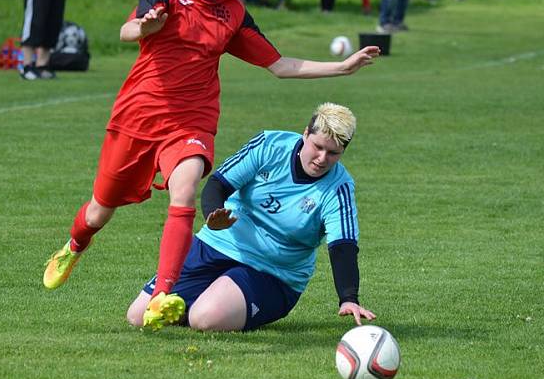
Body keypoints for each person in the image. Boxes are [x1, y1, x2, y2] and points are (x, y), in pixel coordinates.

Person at [42, 0, 381, 331]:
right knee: (100, 210)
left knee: (184, 189)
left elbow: (278, 64)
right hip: (138, 116)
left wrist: (341, 69)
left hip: (192, 119)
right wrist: (146, 25)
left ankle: (164, 294)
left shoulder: (233, 13)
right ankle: (76, 244)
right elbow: (126, 30)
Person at [127, 103, 377, 332]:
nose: (322, 158)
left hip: (272, 272)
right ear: (305, 134)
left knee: (205, 319)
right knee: (138, 316)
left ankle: (208, 302)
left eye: (333, 153)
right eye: (318, 147)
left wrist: (348, 298)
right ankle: (208, 297)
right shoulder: (270, 145)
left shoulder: (339, 188)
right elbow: (218, 184)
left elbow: (342, 247)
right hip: (217, 246)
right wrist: (214, 214)